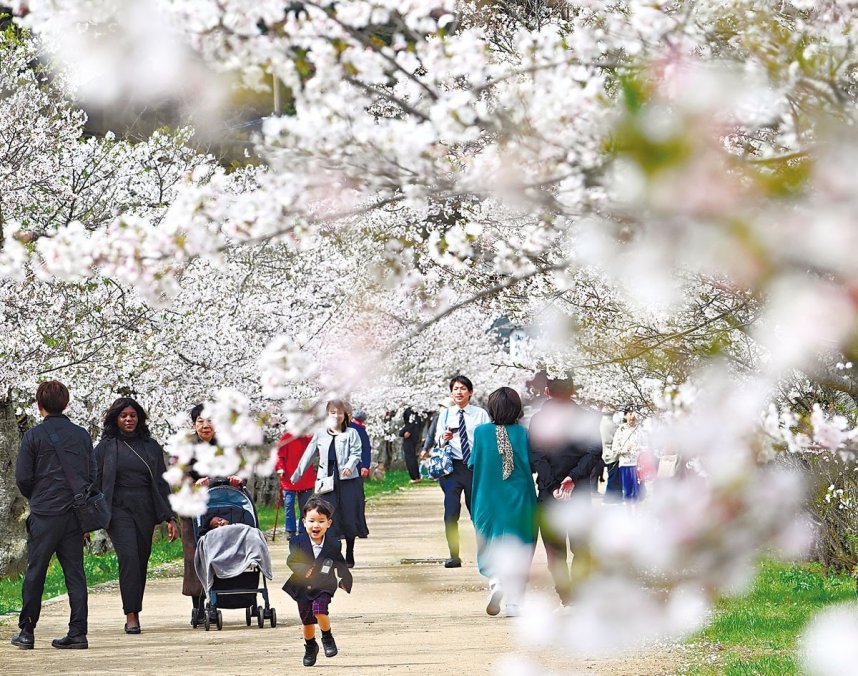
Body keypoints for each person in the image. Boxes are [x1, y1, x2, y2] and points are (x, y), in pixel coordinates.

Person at [12, 380, 96, 650]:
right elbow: (91, 474)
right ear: (67, 404)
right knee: (75, 573)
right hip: (73, 514)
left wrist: (37, 497)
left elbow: (23, 478)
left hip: (45, 514)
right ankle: (78, 632)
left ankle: (27, 631)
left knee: (36, 571)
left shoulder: (33, 437)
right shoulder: (82, 435)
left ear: (39, 406)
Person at [94, 397, 178, 634]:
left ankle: (135, 608)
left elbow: (163, 483)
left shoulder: (150, 446)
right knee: (129, 556)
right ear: (116, 419)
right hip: (118, 509)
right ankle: (131, 615)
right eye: (124, 416)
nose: (129, 419)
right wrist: (86, 519)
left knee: (140, 560)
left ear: (139, 418)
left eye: (132, 415)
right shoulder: (106, 447)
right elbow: (94, 483)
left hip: (145, 508)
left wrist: (170, 517)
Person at [528, 377, 603, 606]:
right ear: (573, 391)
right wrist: (573, 478)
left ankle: (567, 596)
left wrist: (552, 486)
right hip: (577, 491)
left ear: (548, 391)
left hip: (549, 493)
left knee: (555, 549)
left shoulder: (538, 420)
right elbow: (594, 452)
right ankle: (577, 594)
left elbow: (536, 456)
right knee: (581, 546)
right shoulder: (586, 418)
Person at [468, 387, 536, 617]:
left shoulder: (480, 433)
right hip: (520, 497)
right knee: (521, 544)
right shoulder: (524, 433)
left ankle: (496, 581)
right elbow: (534, 463)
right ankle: (514, 604)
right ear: (517, 409)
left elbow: (473, 463)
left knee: (489, 540)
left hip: (487, 497)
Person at [178, 403, 243, 625]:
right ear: (194, 424)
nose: (206, 425)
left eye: (210, 420)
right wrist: (193, 482)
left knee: (221, 551)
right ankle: (197, 604)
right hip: (194, 508)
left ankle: (218, 599)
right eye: (200, 421)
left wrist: (236, 478)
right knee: (194, 555)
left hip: (222, 504)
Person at [292, 400, 369, 567]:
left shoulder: (352, 433)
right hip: (326, 481)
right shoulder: (320, 433)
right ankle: (333, 554)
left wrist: (349, 466)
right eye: (333, 412)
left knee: (348, 516)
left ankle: (349, 551)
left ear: (345, 415)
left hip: (348, 481)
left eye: (339, 412)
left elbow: (356, 453)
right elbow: (308, 454)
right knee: (327, 516)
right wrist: (296, 475)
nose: (336, 416)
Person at [282, 497, 353, 667]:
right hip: (303, 587)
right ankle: (310, 646)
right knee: (307, 622)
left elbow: (340, 563)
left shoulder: (334, 545)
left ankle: (327, 638)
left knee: (319, 609)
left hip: (324, 585)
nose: (316, 525)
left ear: (328, 523)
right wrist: (302, 568)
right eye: (312, 521)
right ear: (304, 522)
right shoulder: (297, 542)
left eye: (321, 521)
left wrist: (345, 579)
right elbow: (292, 561)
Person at [435, 375, 490, 568]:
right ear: (451, 392)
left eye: (463, 388)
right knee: (450, 512)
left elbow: (487, 440)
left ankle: (485, 554)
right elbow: (438, 440)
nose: (459, 392)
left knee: (477, 512)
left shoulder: (480, 414)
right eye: (455, 389)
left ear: (470, 392)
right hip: (452, 468)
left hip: (474, 467)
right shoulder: (446, 414)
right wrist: (445, 437)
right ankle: (454, 555)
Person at [275, 432, 316, 539]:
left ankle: (303, 530)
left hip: (305, 477)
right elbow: (279, 456)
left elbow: (318, 450)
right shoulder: (286, 437)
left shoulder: (309, 438)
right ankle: (290, 530)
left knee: (305, 506)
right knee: (289, 505)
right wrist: (280, 468)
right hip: (288, 478)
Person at [612, 407, 646, 501]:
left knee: (639, 495)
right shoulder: (621, 430)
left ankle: (636, 514)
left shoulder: (640, 430)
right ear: (625, 415)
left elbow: (646, 446)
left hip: (638, 465)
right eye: (630, 414)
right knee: (628, 494)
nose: (632, 416)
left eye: (634, 414)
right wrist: (626, 449)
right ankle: (629, 514)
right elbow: (614, 449)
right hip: (626, 465)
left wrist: (639, 449)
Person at [600, 408, 621, 502]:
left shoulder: (602, 423)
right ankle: (610, 497)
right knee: (613, 476)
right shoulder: (610, 424)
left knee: (612, 475)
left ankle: (613, 496)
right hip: (612, 453)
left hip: (607, 453)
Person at [399, 406, 422, 483]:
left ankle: (414, 477)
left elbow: (412, 422)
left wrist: (407, 430)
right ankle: (416, 476)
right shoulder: (415, 413)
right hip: (414, 437)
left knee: (410, 457)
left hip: (410, 438)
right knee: (412, 457)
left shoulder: (411, 412)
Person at [350, 410, 372, 479]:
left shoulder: (349, 427)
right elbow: (366, 448)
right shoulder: (361, 430)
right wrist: (365, 465)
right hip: (358, 463)